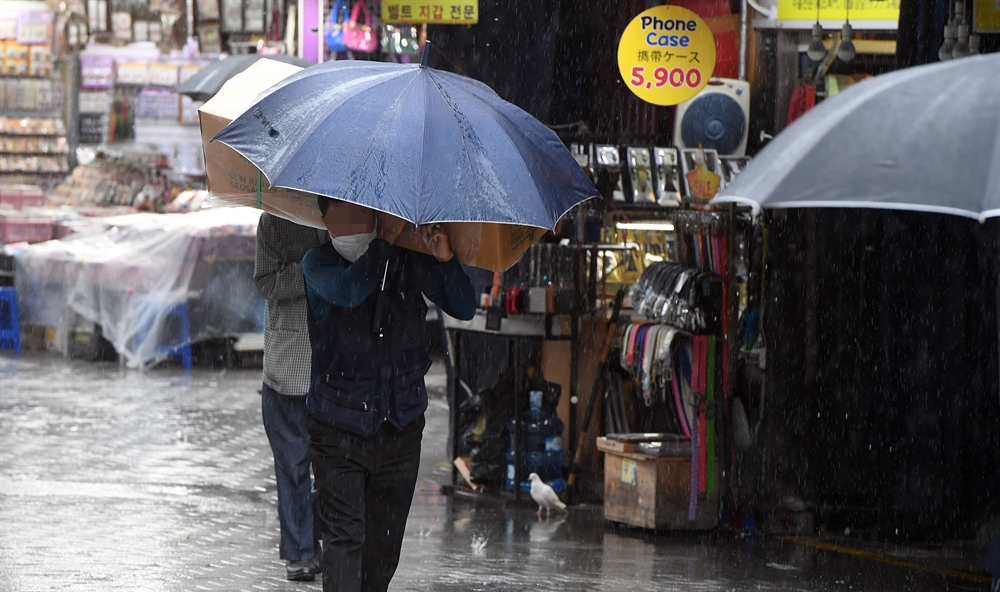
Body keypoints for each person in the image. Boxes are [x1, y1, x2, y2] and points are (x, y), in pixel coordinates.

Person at [302, 197, 476, 592]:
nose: (357, 220)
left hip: (400, 427)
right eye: (343, 212)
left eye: (363, 211)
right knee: (345, 542)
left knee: (383, 553)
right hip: (337, 430)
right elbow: (350, 291)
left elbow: (464, 306)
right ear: (326, 218)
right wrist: (383, 241)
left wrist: (445, 259)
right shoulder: (318, 264)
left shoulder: (407, 260)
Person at [253, 212, 323, 581]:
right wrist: (310, 270)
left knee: (328, 467)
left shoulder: (340, 213)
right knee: (293, 465)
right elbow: (265, 280)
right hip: (289, 365)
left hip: (332, 365)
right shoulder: (274, 221)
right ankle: (300, 550)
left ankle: (312, 542)